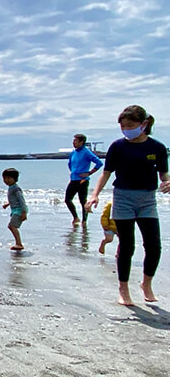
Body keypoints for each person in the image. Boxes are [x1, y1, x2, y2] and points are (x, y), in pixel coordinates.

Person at [86, 105, 170, 306]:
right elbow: (106, 173)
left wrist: (168, 182)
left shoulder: (157, 148)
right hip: (122, 198)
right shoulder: (117, 147)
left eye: (130, 125)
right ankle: (123, 289)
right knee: (127, 245)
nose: (126, 129)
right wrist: (94, 195)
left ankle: (146, 283)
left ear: (144, 124)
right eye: (123, 126)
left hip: (147, 200)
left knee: (153, 245)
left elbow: (163, 175)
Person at [65, 133, 103, 227]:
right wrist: (73, 173)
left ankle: (84, 221)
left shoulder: (86, 152)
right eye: (73, 141)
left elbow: (99, 163)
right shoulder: (73, 152)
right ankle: (75, 217)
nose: (73, 142)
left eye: (75, 141)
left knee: (83, 201)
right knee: (67, 199)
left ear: (81, 142)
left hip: (83, 180)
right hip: (74, 180)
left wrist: (89, 172)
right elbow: (70, 164)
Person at [1, 168, 27, 251]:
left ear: (15, 179)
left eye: (9, 178)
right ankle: (18, 243)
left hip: (20, 210)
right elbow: (14, 199)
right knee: (12, 226)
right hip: (15, 209)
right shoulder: (11, 187)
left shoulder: (16, 188)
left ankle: (19, 244)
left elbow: (21, 200)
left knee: (12, 226)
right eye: (5, 178)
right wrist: (8, 204)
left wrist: (24, 212)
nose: (6, 180)